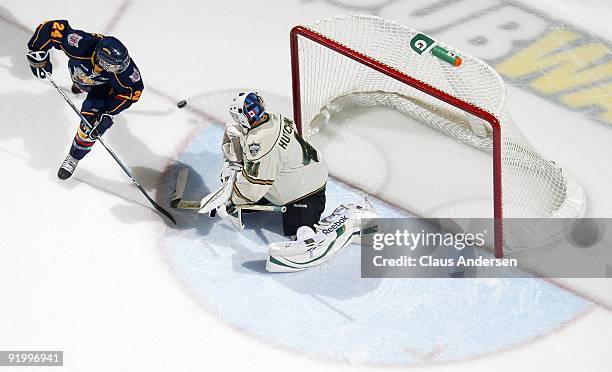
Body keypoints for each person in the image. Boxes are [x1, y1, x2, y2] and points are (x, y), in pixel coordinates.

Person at [26, 20, 144, 179]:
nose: (121, 69)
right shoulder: (80, 44)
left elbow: (132, 92)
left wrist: (107, 113)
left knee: (89, 125)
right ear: (102, 60)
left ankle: (74, 156)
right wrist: (37, 51)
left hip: (103, 87)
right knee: (79, 82)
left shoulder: (126, 71)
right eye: (116, 66)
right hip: (81, 74)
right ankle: (80, 87)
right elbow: (52, 28)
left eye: (123, 64)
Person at [222, 92, 328, 237]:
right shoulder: (275, 117)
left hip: (306, 192)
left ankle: (306, 231)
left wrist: (231, 200)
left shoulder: (260, 144)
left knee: (302, 232)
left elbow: (253, 187)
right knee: (246, 202)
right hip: (310, 170)